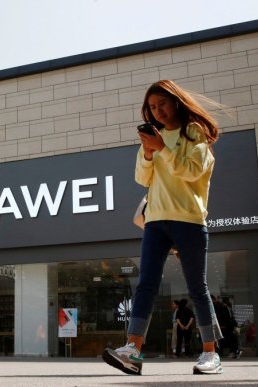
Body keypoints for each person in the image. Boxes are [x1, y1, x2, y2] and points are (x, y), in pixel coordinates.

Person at [102, 80, 224, 375]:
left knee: (197, 287)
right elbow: (142, 179)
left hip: (189, 219)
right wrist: (147, 154)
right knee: (145, 284)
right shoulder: (153, 137)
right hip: (155, 219)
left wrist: (162, 149)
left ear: (176, 102)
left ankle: (210, 353)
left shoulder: (193, 133)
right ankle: (132, 350)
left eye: (163, 104)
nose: (158, 111)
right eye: (152, 107)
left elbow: (191, 171)